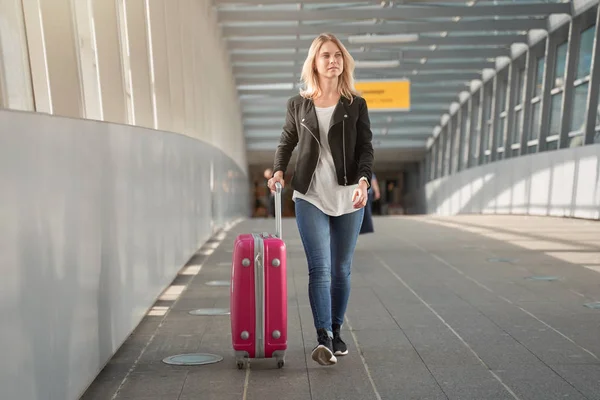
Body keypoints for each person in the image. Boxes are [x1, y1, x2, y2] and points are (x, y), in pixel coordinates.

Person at [267, 33, 374, 366]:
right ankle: (323, 337)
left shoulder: (355, 104)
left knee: (342, 269)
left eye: (338, 55)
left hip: (347, 196)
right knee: (321, 268)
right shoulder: (298, 104)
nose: (333, 60)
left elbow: (365, 148)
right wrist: (278, 172)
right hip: (309, 194)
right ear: (314, 62)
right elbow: (286, 142)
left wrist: (363, 180)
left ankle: (337, 330)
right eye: (326, 55)